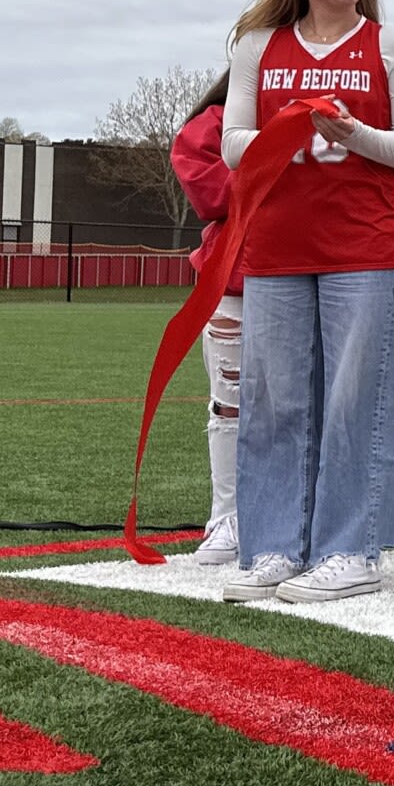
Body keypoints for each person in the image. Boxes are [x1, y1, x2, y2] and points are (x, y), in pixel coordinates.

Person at [218, 0, 394, 603]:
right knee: (275, 400)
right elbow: (232, 144)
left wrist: (351, 132)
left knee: (354, 403)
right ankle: (275, 543)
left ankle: (351, 550)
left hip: (364, 246)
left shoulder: (393, 47)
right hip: (276, 246)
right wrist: (291, 128)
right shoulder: (258, 44)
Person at [170, 71, 243, 567]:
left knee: (305, 405)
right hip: (234, 281)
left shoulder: (323, 120)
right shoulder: (209, 126)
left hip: (312, 276)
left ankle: (298, 514)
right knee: (230, 403)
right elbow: (214, 197)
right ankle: (228, 518)